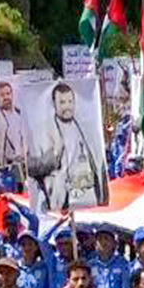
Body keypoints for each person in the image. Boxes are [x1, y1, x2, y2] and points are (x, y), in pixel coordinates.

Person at [30, 80, 106, 211]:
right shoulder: (43, 131)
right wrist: (54, 156)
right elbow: (33, 167)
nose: (67, 106)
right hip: (60, 198)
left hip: (86, 196)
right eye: (62, 102)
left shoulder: (83, 127)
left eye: (70, 101)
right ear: (54, 104)